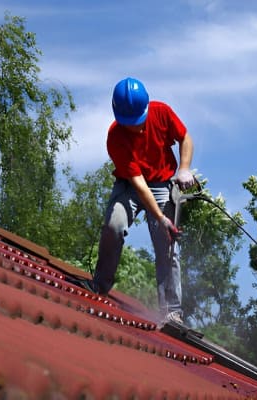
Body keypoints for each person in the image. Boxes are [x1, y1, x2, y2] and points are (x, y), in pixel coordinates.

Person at [84, 77, 195, 325]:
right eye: (129, 123)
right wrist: (159, 217)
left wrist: (184, 168)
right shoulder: (115, 137)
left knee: (168, 244)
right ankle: (100, 286)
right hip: (132, 186)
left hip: (162, 182)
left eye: (138, 121)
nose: (135, 128)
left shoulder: (162, 112)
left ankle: (172, 311)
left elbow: (185, 138)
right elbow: (138, 183)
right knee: (114, 224)